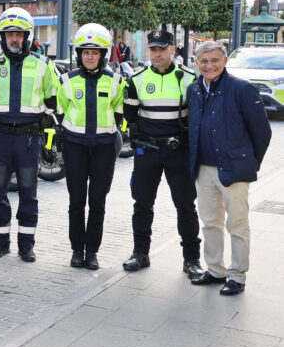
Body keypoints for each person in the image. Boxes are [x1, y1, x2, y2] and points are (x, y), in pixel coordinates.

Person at [187, 41, 272, 296]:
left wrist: (248, 162)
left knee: (237, 224)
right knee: (210, 222)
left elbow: (262, 132)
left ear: (224, 61)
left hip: (233, 170)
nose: (209, 65)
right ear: (197, 63)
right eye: (204, 61)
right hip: (203, 169)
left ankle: (237, 275)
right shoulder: (194, 89)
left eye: (214, 60)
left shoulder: (242, 89)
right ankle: (215, 270)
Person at [0, 7, 59, 262]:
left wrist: (39, 121)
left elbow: (52, 100)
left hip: (27, 140)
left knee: (28, 193)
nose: (15, 39)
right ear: (2, 36)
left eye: (19, 34)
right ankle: (0, 242)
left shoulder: (43, 64)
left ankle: (26, 245)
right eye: (10, 34)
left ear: (27, 36)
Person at [121, 30, 203, 277]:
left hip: (179, 151)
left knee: (186, 206)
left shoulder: (188, 78)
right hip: (148, 151)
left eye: (162, 49)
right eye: (153, 49)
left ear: (172, 49)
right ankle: (140, 254)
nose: (157, 54)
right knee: (142, 204)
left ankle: (191, 260)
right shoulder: (136, 80)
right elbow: (130, 116)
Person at [57, 24, 124, 271]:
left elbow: (119, 113)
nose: (90, 56)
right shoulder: (66, 80)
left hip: (104, 149)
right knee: (76, 201)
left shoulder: (116, 81)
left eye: (95, 52)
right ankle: (77, 250)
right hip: (75, 147)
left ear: (103, 55)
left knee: (97, 202)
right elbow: (62, 109)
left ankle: (92, 252)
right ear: (78, 54)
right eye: (85, 52)